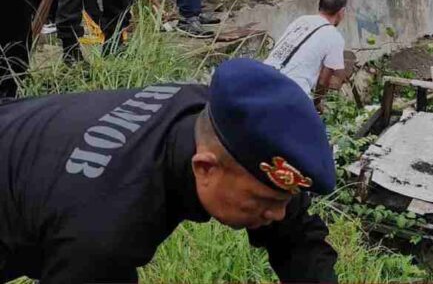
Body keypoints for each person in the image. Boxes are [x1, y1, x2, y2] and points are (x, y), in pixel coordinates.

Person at [0, 58, 338, 281]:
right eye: (264, 201)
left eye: (283, 199)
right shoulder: (105, 229)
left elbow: (296, 237)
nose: (278, 214)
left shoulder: (221, 124)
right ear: (205, 168)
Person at [264, 0, 347, 107]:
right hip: (292, 93)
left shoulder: (301, 20)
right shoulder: (334, 36)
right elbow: (323, 81)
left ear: (320, 5)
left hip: (263, 78)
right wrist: (316, 104)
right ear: (341, 12)